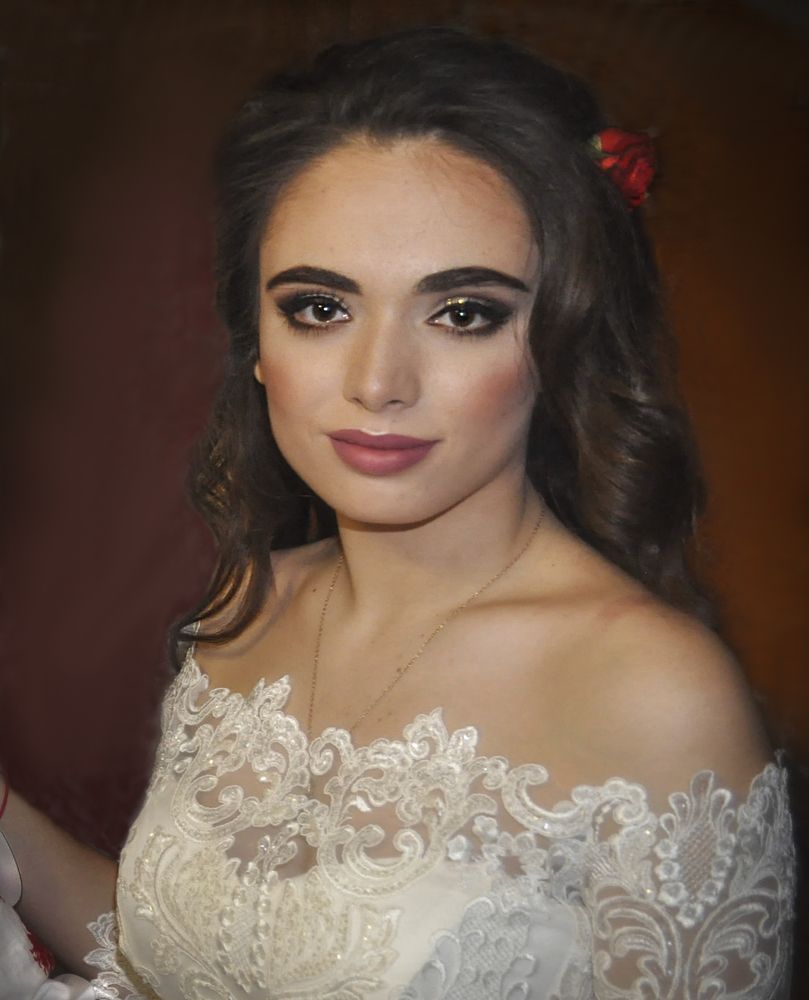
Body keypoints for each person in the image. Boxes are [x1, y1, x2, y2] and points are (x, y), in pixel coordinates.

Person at [0, 25, 796, 1000]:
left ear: (560, 340)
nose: (378, 382)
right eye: (319, 308)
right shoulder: (249, 603)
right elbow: (180, 959)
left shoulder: (654, 694)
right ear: (255, 344)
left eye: (461, 313)